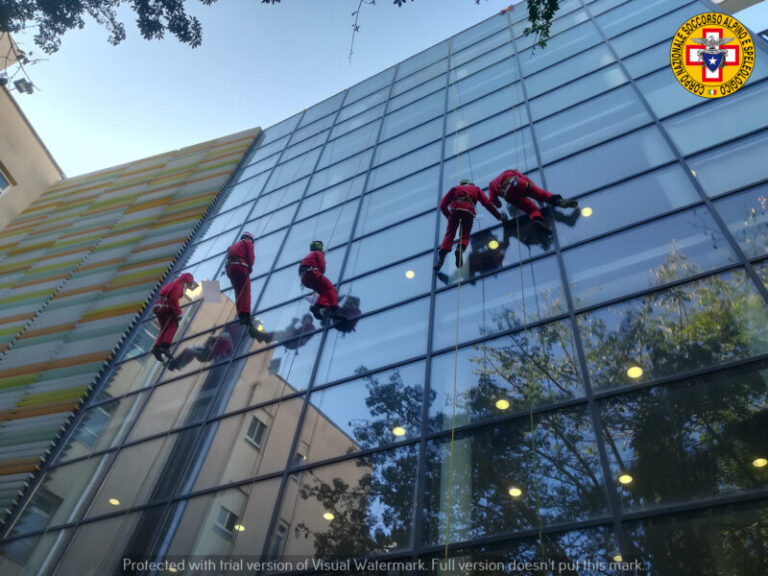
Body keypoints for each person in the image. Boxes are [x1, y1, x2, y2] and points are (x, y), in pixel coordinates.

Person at [435, 179, 504, 271]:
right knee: (465, 235)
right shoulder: (476, 189)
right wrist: (498, 216)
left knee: (450, 234)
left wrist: (449, 217)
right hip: (468, 211)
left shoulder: (455, 188)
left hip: (456, 210)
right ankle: (460, 250)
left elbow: (442, 205)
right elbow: (487, 204)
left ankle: (441, 258)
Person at [489, 169, 577, 235]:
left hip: (509, 196)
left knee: (531, 209)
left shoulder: (491, 185)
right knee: (542, 194)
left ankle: (536, 220)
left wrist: (499, 204)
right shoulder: (510, 171)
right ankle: (559, 202)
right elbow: (524, 178)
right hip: (517, 183)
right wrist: (533, 189)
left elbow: (493, 200)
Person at [151, 273, 196, 362]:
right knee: (173, 326)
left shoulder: (171, 284)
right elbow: (173, 300)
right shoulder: (178, 287)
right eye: (188, 285)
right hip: (166, 307)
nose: (186, 288)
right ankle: (165, 346)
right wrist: (178, 313)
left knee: (164, 328)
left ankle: (157, 347)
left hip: (158, 306)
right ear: (185, 282)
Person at [299, 240, 342, 321]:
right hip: (312, 274)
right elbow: (322, 266)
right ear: (320, 247)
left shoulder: (308, 256)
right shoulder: (317, 253)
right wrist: (321, 269)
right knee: (330, 289)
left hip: (305, 280)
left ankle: (318, 307)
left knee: (324, 292)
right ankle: (334, 308)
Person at [167, 324, 237, 371]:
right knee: (188, 349)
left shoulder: (227, 343)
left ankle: (179, 365)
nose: (220, 335)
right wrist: (211, 337)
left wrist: (212, 342)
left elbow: (220, 352)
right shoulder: (221, 339)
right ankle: (174, 362)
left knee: (191, 352)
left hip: (209, 354)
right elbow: (208, 343)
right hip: (206, 350)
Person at [226, 231, 256, 329]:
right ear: (249, 238)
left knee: (238, 291)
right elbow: (251, 257)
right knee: (245, 290)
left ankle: (240, 313)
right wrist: (250, 268)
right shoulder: (247, 243)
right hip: (240, 267)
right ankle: (245, 314)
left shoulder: (233, 246)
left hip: (230, 268)